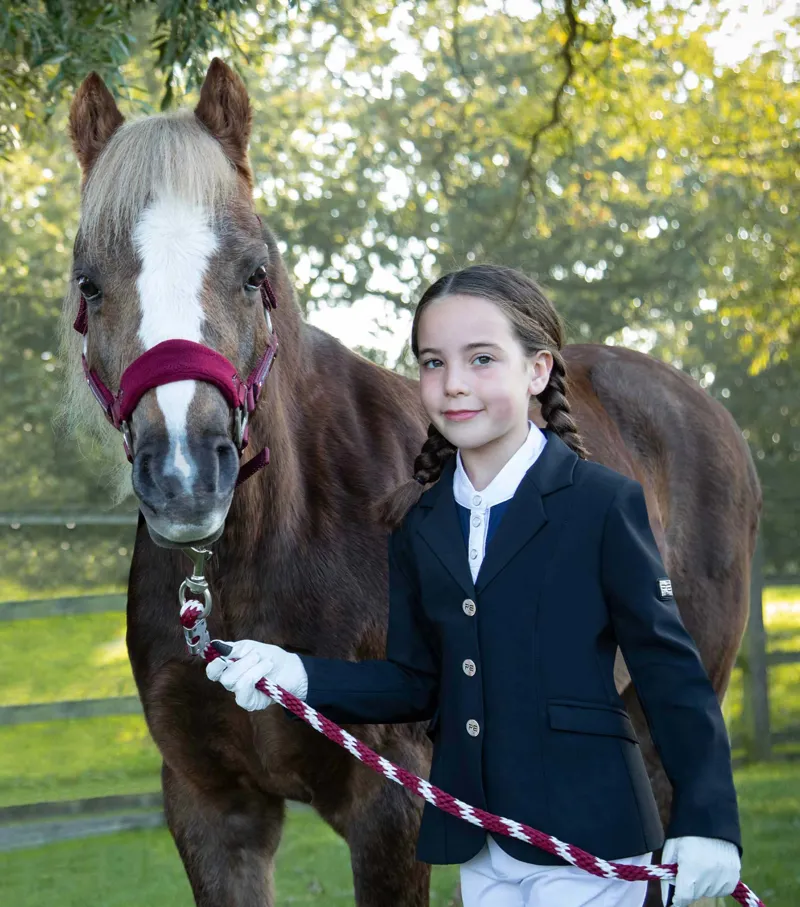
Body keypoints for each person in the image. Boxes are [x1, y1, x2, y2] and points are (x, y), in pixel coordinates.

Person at [206, 264, 742, 907]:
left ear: (537, 372)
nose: (454, 383)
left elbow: (669, 670)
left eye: (482, 359)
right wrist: (296, 673)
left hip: (591, 840)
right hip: (480, 843)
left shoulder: (602, 505)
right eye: (434, 362)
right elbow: (415, 684)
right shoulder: (420, 523)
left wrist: (709, 819)